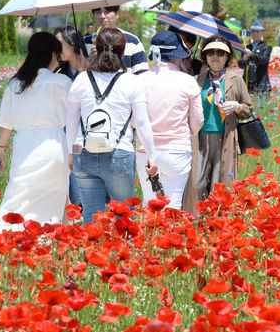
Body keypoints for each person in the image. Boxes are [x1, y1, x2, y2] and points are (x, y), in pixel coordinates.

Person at [66, 28, 158, 223]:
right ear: (123, 53)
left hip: (84, 152)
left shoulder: (81, 79)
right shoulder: (132, 82)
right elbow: (142, 123)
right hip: (119, 152)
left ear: (96, 50)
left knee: (91, 217)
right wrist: (152, 155)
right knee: (123, 217)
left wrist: (72, 152)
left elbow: (71, 123)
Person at [0, 32, 72, 232]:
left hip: (25, 147)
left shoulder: (16, 85)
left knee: (17, 197)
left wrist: (0, 152)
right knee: (52, 203)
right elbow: (75, 118)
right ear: (53, 55)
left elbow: (5, 124)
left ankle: (7, 239)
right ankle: (47, 242)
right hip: (55, 147)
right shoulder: (62, 83)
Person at [136, 30, 204, 210]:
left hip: (146, 150)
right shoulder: (188, 81)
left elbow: (135, 122)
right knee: (173, 205)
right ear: (177, 56)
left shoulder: (139, 80)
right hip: (177, 151)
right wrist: (184, 133)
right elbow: (198, 121)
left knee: (149, 203)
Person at [191, 35, 253, 201]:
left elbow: (248, 109)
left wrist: (237, 107)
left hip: (225, 138)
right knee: (198, 184)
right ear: (205, 56)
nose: (215, 57)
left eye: (220, 53)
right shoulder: (197, 80)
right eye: (210, 53)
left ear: (227, 56)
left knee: (220, 185)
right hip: (200, 139)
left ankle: (218, 216)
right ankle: (199, 215)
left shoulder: (236, 80)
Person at [55, 26, 89, 210]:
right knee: (70, 185)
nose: (56, 48)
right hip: (65, 136)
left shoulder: (92, 71)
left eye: (59, 44)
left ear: (73, 44)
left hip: (88, 135)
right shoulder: (57, 74)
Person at [83, 5, 149, 75]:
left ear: (117, 14)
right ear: (93, 15)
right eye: (98, 12)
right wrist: (91, 60)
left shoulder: (132, 41)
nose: (102, 16)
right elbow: (80, 73)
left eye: (107, 11)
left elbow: (142, 75)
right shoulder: (86, 41)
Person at [238, 20, 272, 94]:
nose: (255, 34)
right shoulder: (247, 47)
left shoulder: (266, 47)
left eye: (257, 31)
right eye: (253, 31)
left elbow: (264, 59)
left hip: (261, 84)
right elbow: (240, 65)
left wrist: (252, 54)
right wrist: (244, 59)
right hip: (247, 83)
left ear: (262, 32)